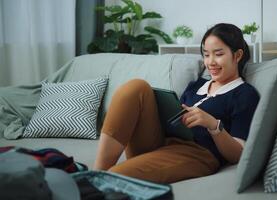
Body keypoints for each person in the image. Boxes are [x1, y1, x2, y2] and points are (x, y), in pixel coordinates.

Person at [93, 23, 260, 184]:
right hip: (164, 143)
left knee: (115, 176)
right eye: (206, 54)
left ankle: (97, 182)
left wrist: (213, 125)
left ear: (237, 55)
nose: (210, 62)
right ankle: (95, 174)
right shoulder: (196, 85)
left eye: (218, 54)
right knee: (136, 87)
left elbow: (237, 155)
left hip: (197, 154)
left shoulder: (244, 94)